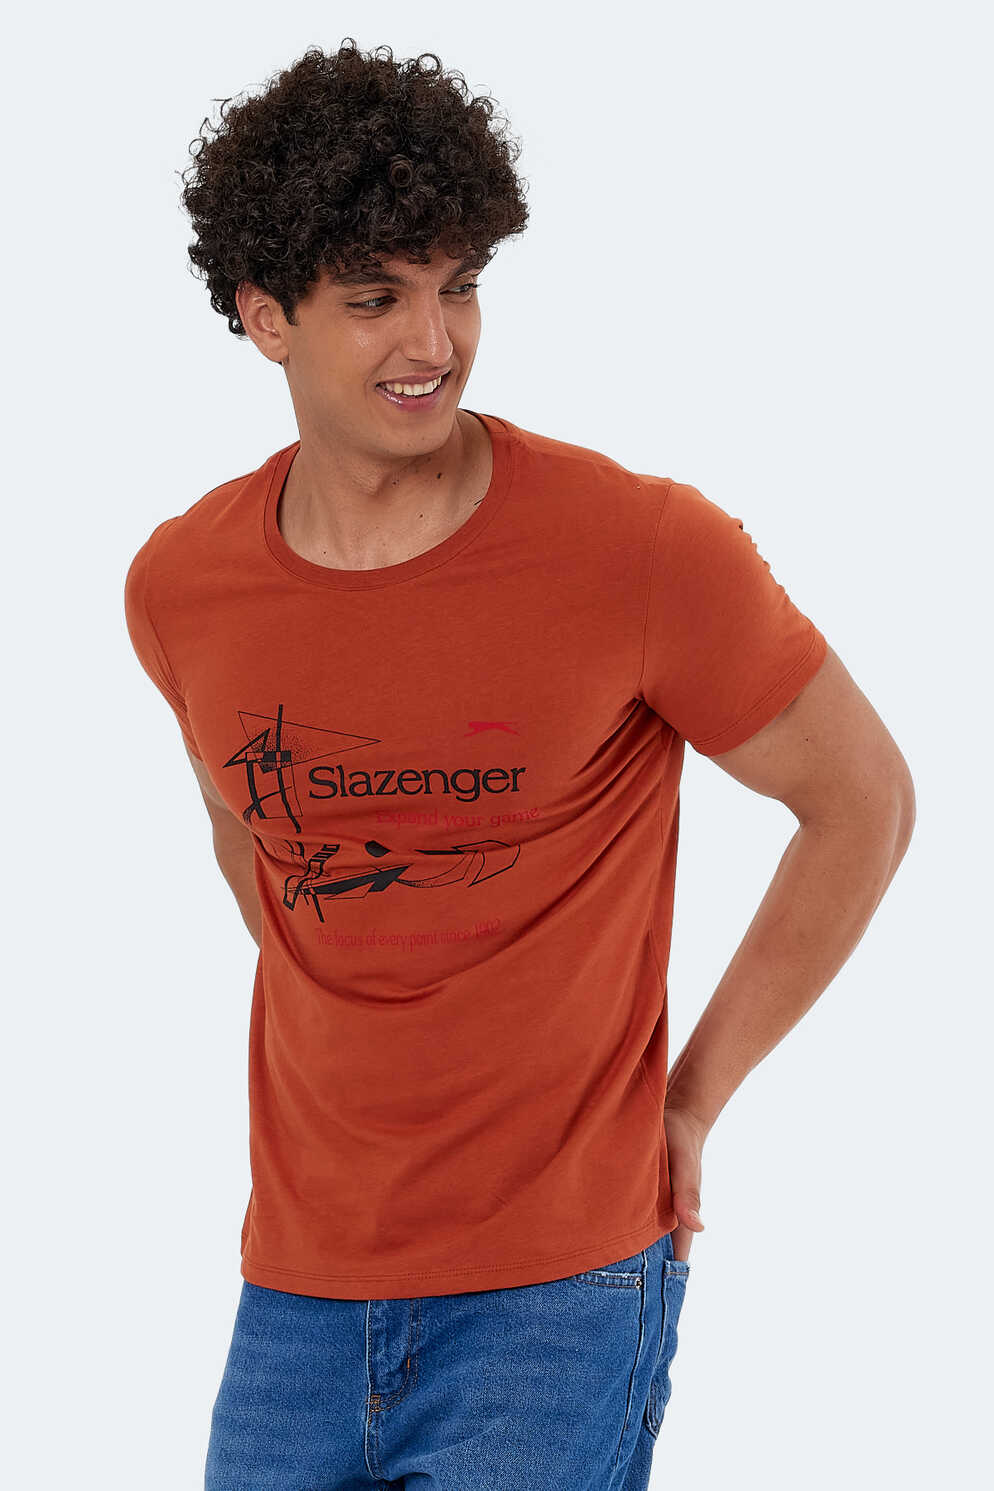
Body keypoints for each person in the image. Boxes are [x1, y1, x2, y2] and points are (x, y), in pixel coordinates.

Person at [123, 38, 915, 1491]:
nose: (434, 342)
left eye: (460, 285)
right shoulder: (180, 585)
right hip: (295, 1286)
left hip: (559, 1290)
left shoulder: (640, 551)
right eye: (377, 299)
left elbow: (860, 801)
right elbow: (254, 834)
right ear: (264, 316)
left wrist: (691, 1098)